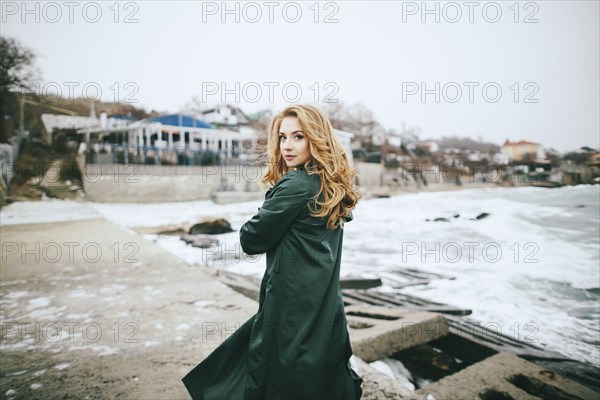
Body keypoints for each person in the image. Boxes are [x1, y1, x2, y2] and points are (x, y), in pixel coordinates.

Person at [182, 104, 364, 399]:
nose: (287, 146)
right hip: (324, 301)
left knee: (276, 376)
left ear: (317, 139)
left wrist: (274, 197)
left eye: (298, 137)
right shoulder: (331, 186)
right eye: (283, 137)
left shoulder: (296, 184)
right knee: (314, 375)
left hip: (290, 304)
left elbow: (250, 239)